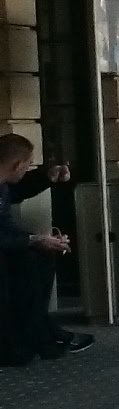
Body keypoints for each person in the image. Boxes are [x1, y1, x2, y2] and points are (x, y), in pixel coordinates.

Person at [0, 133, 88, 367]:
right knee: (27, 260)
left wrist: (45, 177)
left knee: (40, 256)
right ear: (18, 165)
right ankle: (36, 337)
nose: (26, 170)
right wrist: (33, 239)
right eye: (27, 166)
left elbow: (10, 210)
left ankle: (39, 331)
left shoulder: (3, 186)